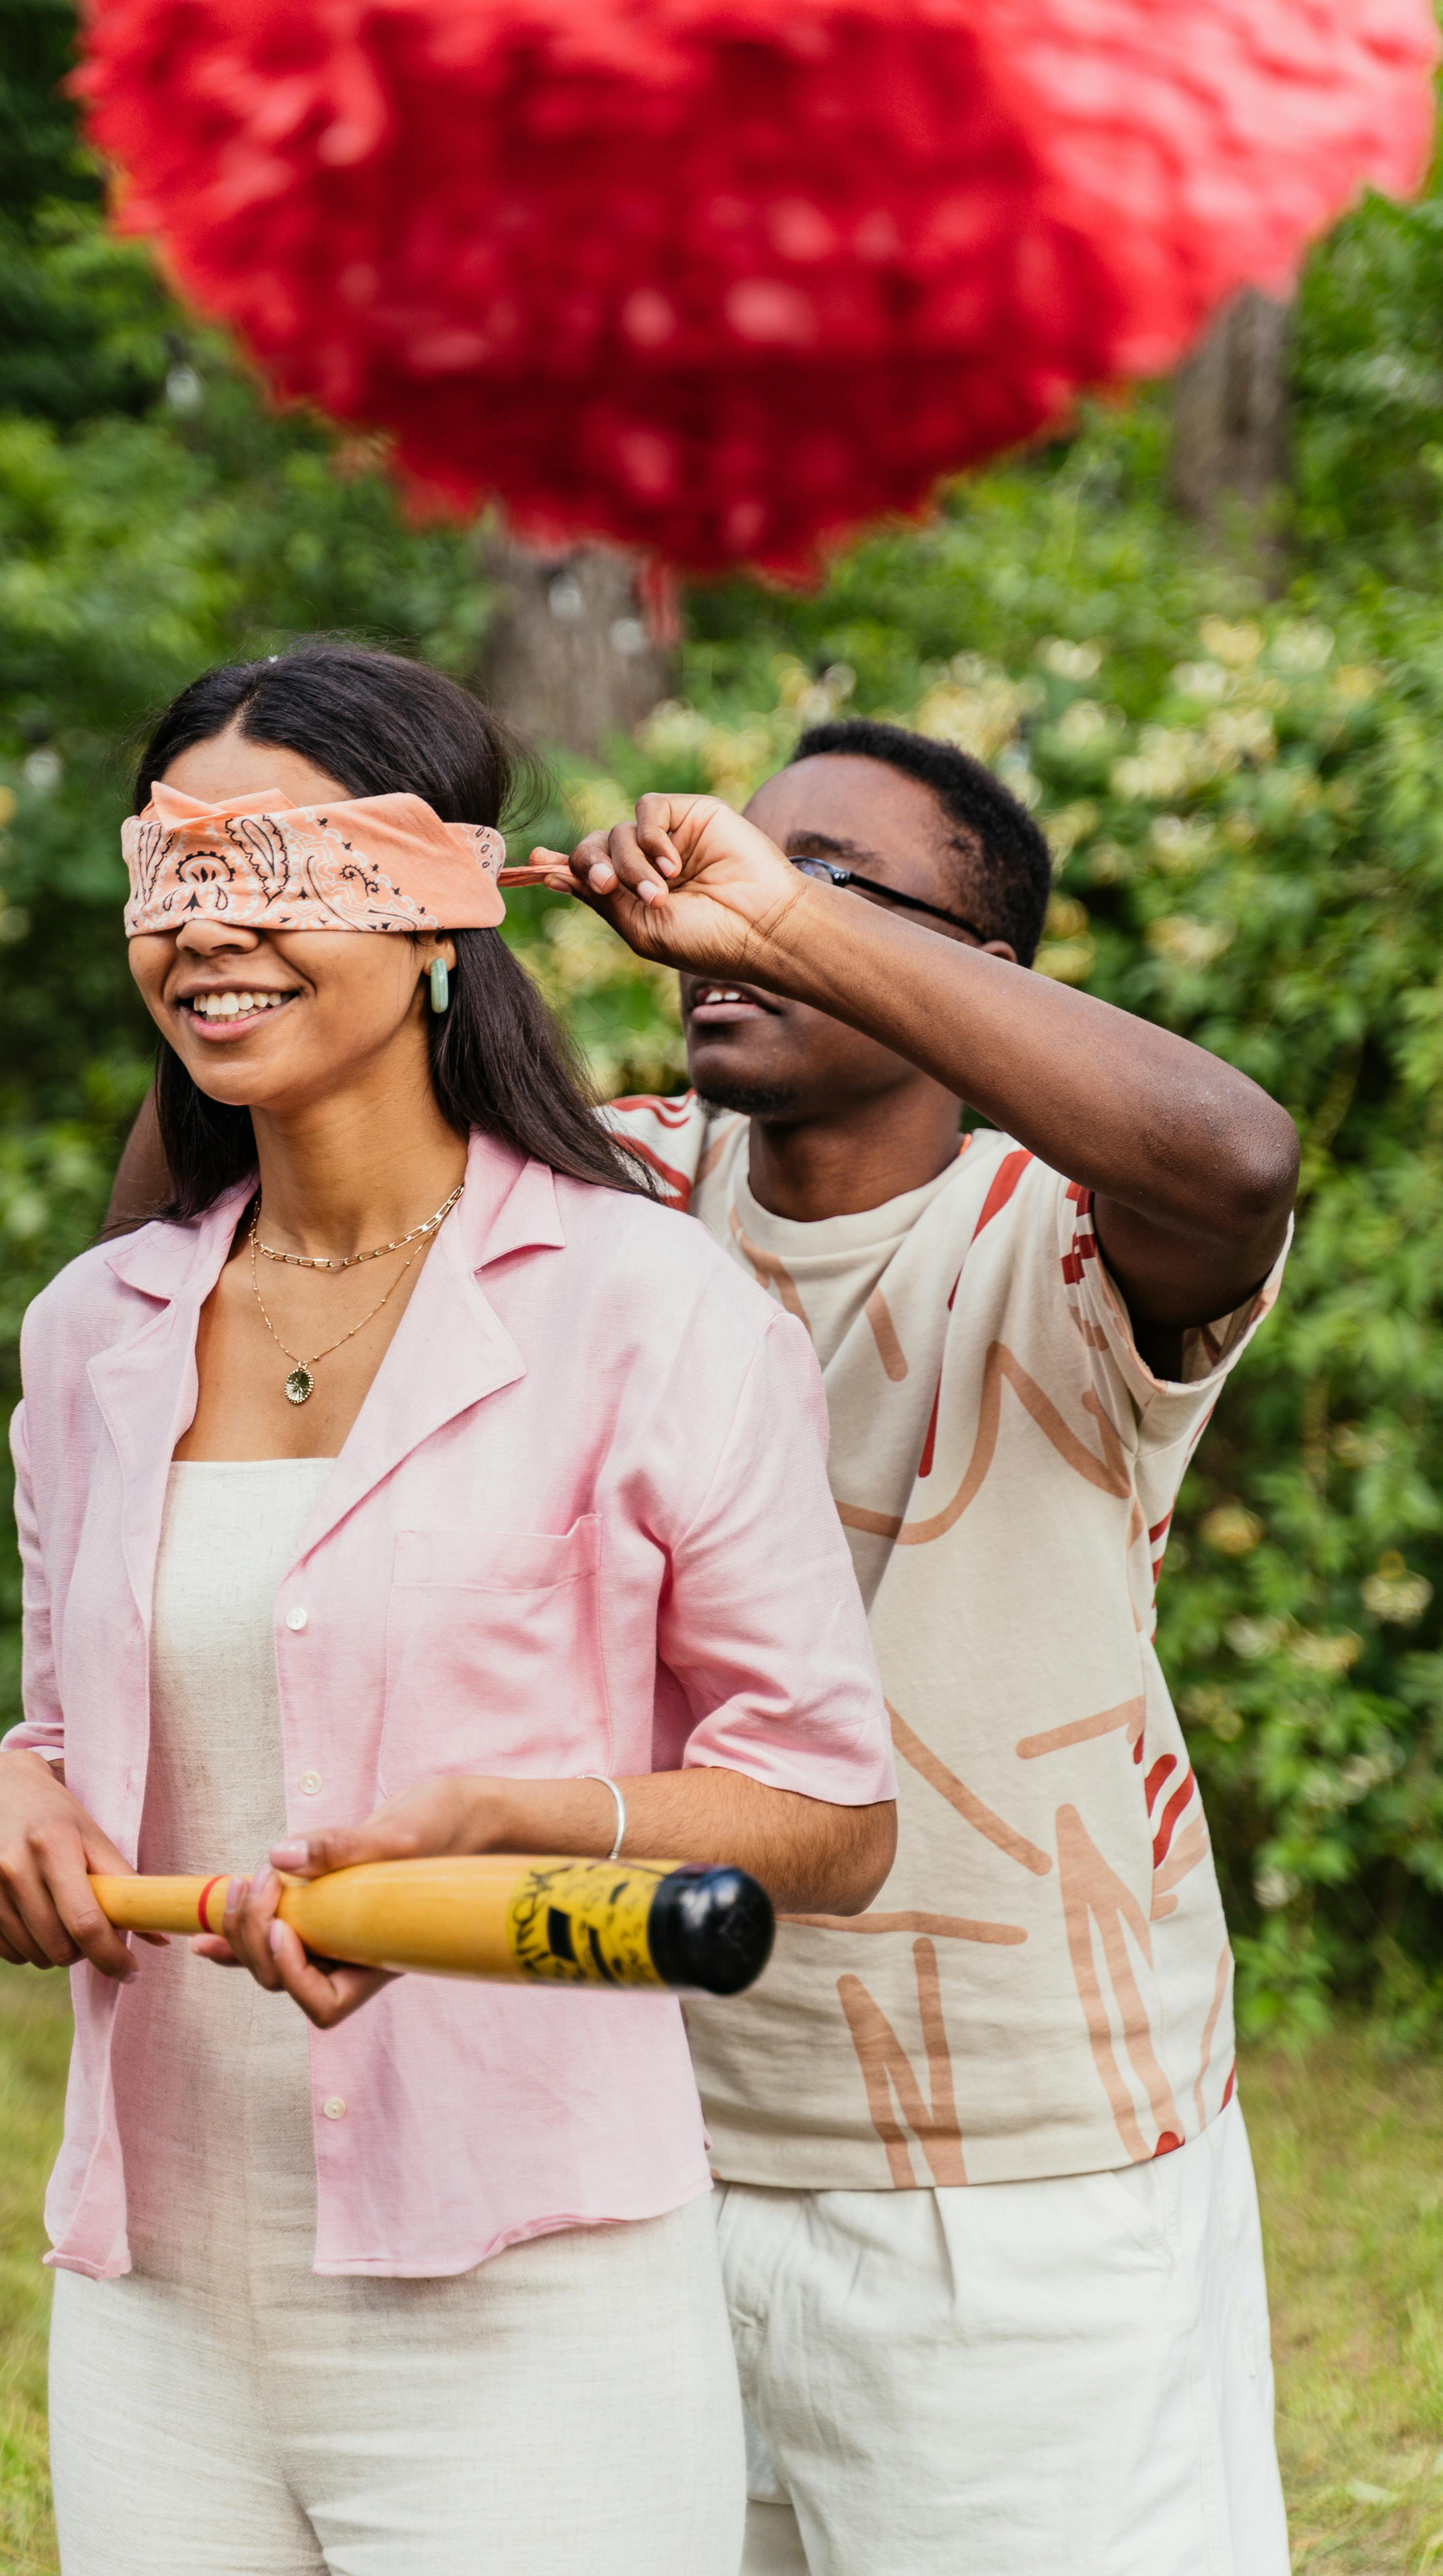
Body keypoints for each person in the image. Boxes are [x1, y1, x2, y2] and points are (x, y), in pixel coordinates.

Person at [0, 646, 896, 2576]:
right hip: (158, 2304)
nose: (218, 927)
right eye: (177, 872)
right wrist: (10, 1790)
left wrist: (518, 1814)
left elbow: (830, 1817)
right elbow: (66, 1727)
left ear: (441, 906)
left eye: (283, 867)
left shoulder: (648, 1307)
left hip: (528, 2298)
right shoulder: (94, 1338)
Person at [509, 718, 1299, 2576]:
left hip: (1019, 2189)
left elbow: (1238, 1154)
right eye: (748, 864)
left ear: (973, 978)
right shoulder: (616, 1199)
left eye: (841, 879)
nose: (740, 912)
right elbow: (210, 1233)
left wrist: (787, 918)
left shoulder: (1063, 1239)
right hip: (633, 2143)